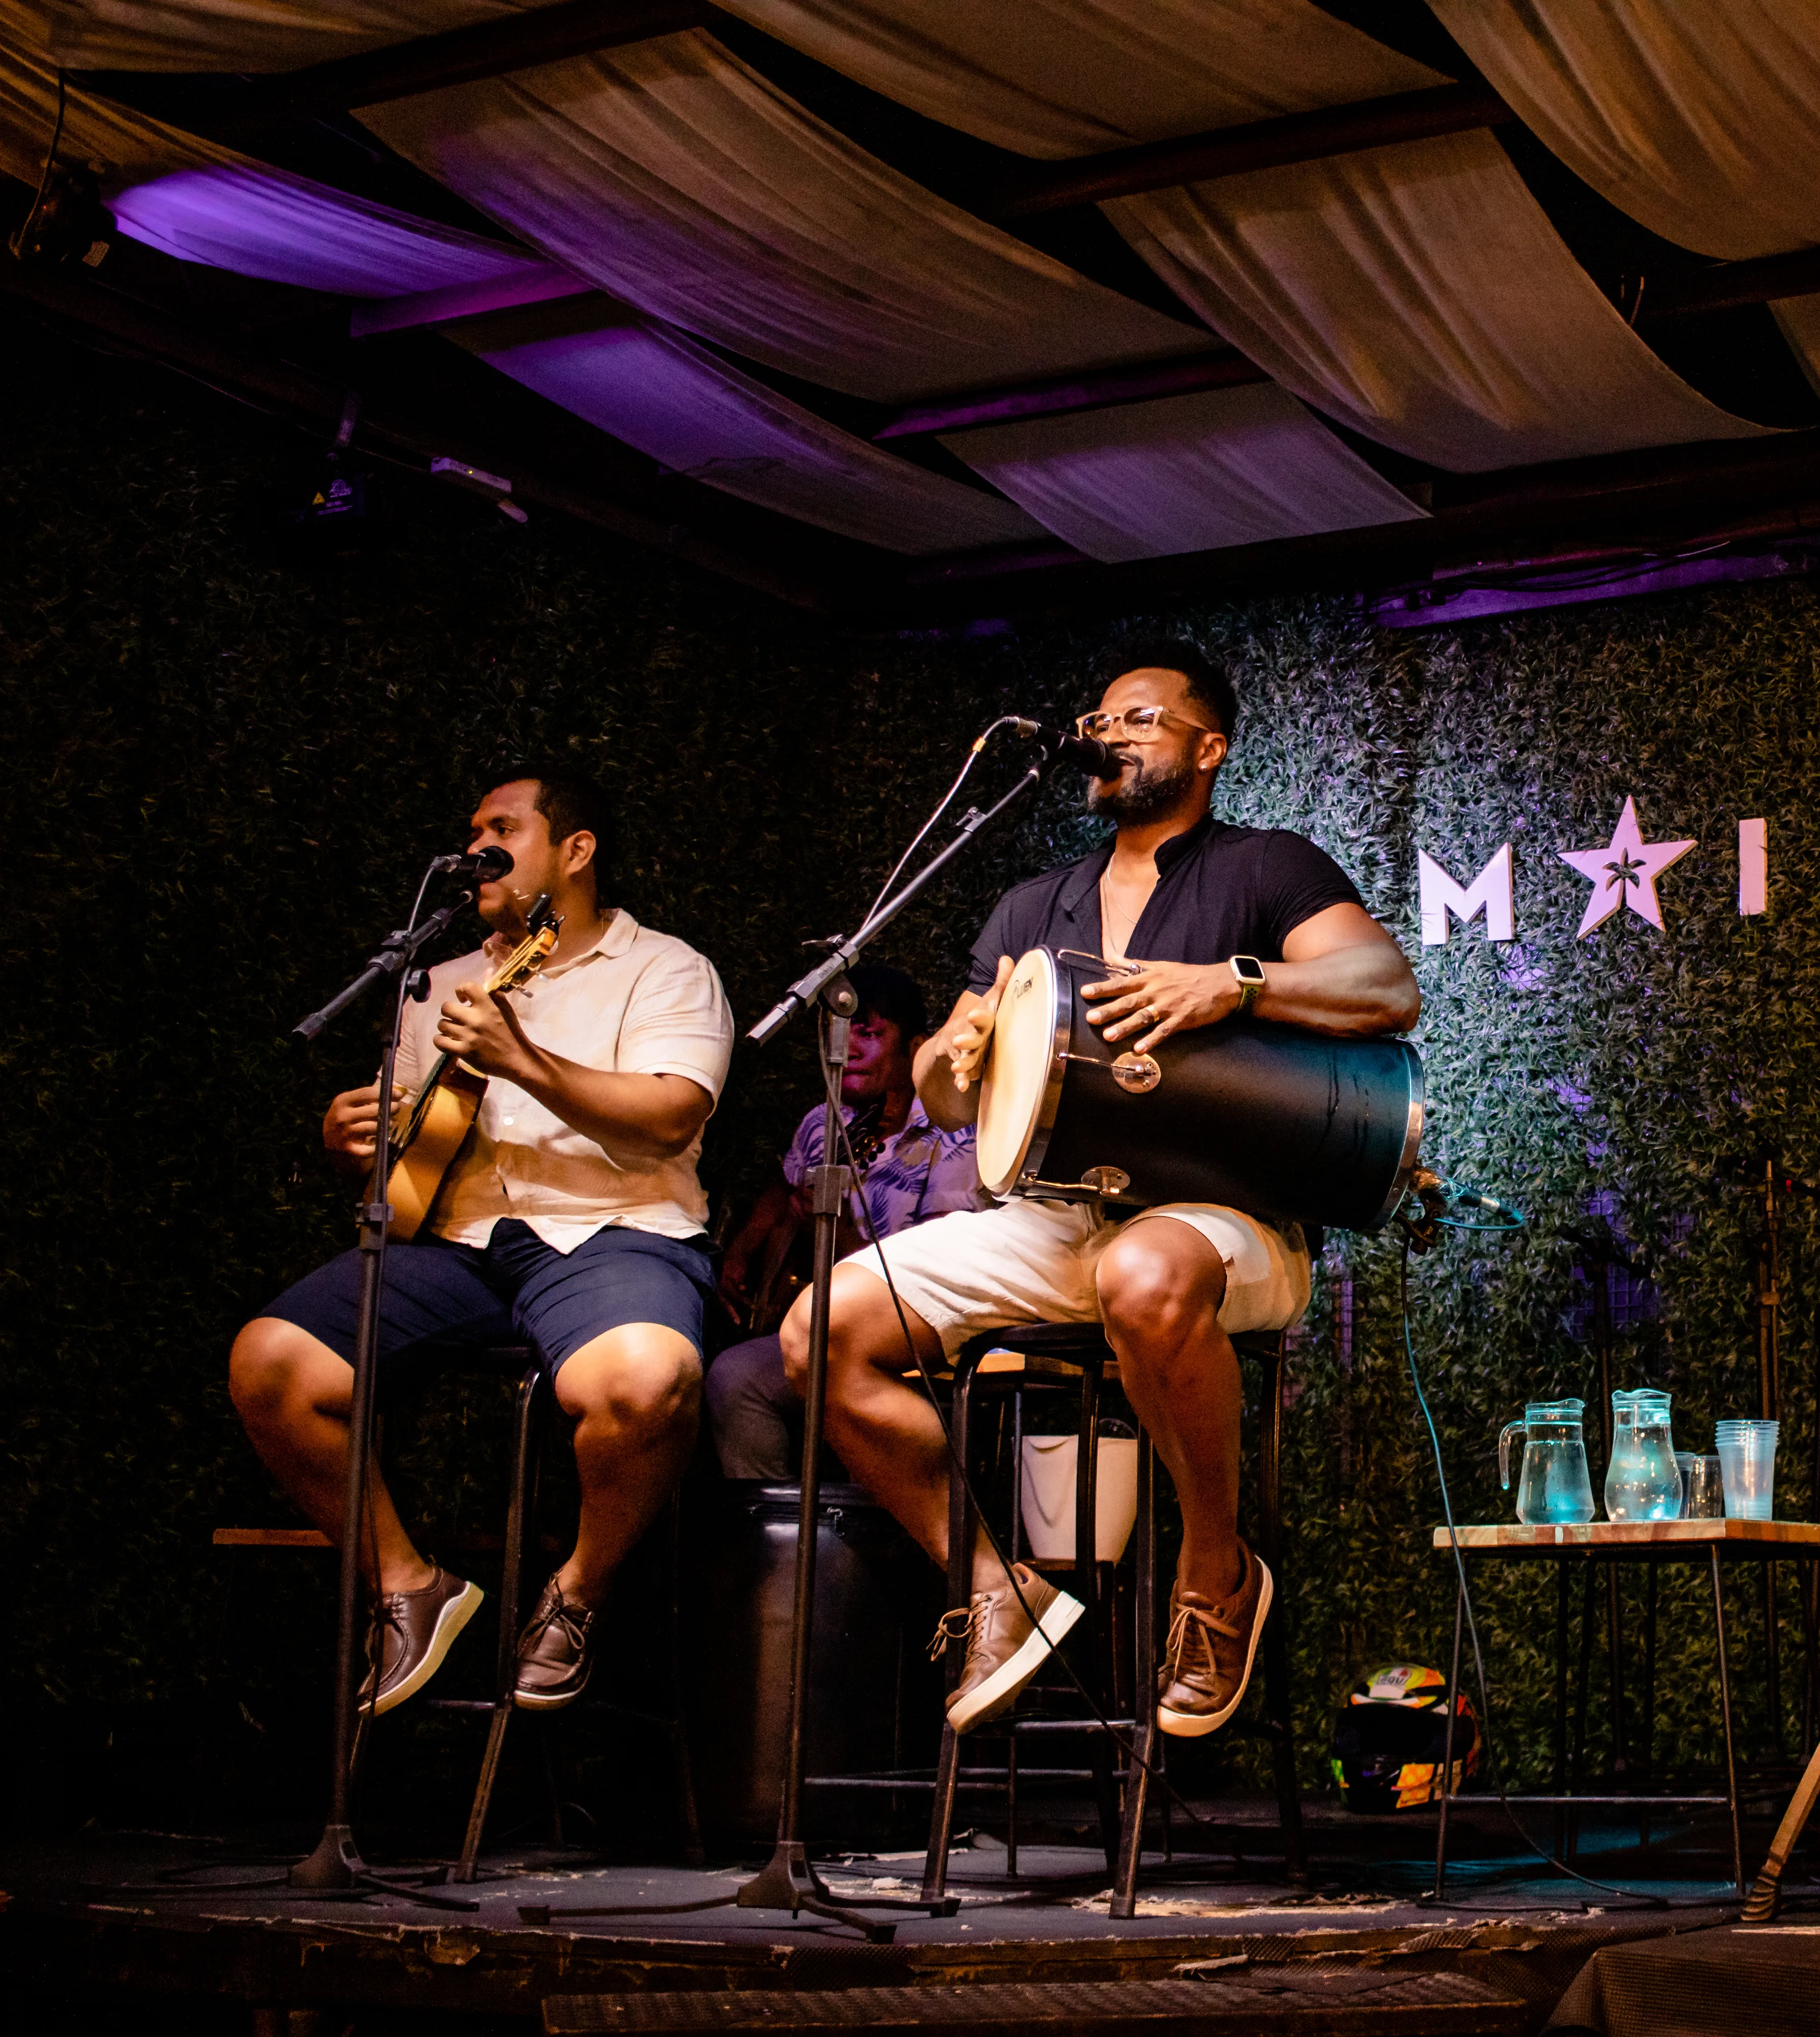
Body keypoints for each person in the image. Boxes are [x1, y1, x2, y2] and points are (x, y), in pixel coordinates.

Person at [791, 639, 1419, 1737]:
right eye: (1101, 716)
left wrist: (1235, 983)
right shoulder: (1037, 903)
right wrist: (953, 1052)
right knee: (819, 1333)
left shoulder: (1265, 866)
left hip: (1228, 1218)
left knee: (1142, 1270)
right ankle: (995, 1585)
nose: (1109, 730)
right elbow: (945, 1094)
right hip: (1055, 1216)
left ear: (1208, 746)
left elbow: (1386, 987)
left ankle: (1218, 1575)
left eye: (1140, 717)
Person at [230, 769, 732, 1714]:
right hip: (460, 1242)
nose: (478, 849)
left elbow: (668, 1120)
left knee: (644, 1380)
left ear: (575, 851)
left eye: (504, 829)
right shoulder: (443, 982)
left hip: (612, 1233)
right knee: (270, 1364)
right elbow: (415, 1166)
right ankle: (407, 1586)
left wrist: (522, 1060)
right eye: (471, 832)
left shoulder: (665, 967)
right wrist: (357, 1148)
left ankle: (577, 1593)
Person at [705, 962, 979, 1480]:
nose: (849, 1049)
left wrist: (836, 1231)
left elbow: (940, 1271)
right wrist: (741, 1251)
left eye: (871, 1034)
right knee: (730, 1376)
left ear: (917, 1047)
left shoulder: (956, 1134)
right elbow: (785, 1189)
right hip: (815, 1328)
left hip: (911, 1337)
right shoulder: (826, 1120)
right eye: (841, 1032)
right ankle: (781, 1538)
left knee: (749, 1376)